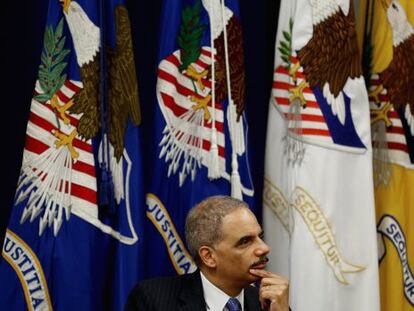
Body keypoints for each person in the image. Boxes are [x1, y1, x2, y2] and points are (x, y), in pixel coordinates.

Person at [125, 195, 289, 311]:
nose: (264, 248)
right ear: (209, 257)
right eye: (245, 241)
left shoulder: (269, 303)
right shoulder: (153, 299)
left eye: (260, 237)